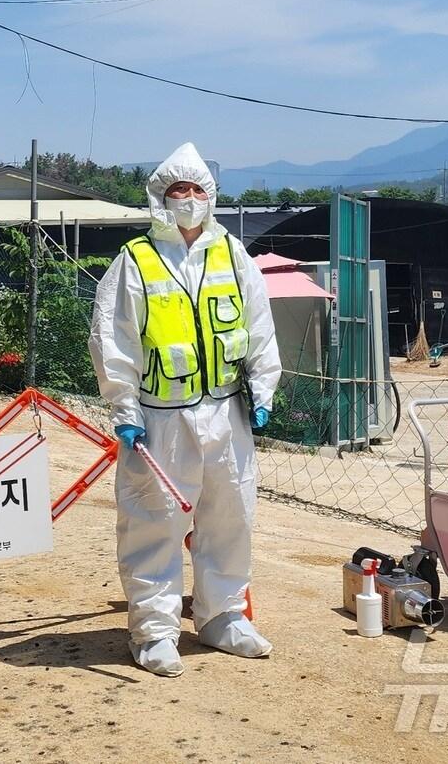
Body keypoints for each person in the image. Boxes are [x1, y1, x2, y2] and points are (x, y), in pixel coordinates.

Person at [88, 142, 282, 677]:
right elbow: (114, 339)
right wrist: (124, 408)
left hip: (228, 412)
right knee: (156, 522)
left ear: (211, 196)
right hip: (161, 417)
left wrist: (262, 391)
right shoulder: (136, 261)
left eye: (198, 190)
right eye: (179, 191)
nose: (189, 200)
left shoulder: (232, 254)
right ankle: (153, 630)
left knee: (231, 516)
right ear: (160, 198)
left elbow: (260, 326)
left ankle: (223, 618)